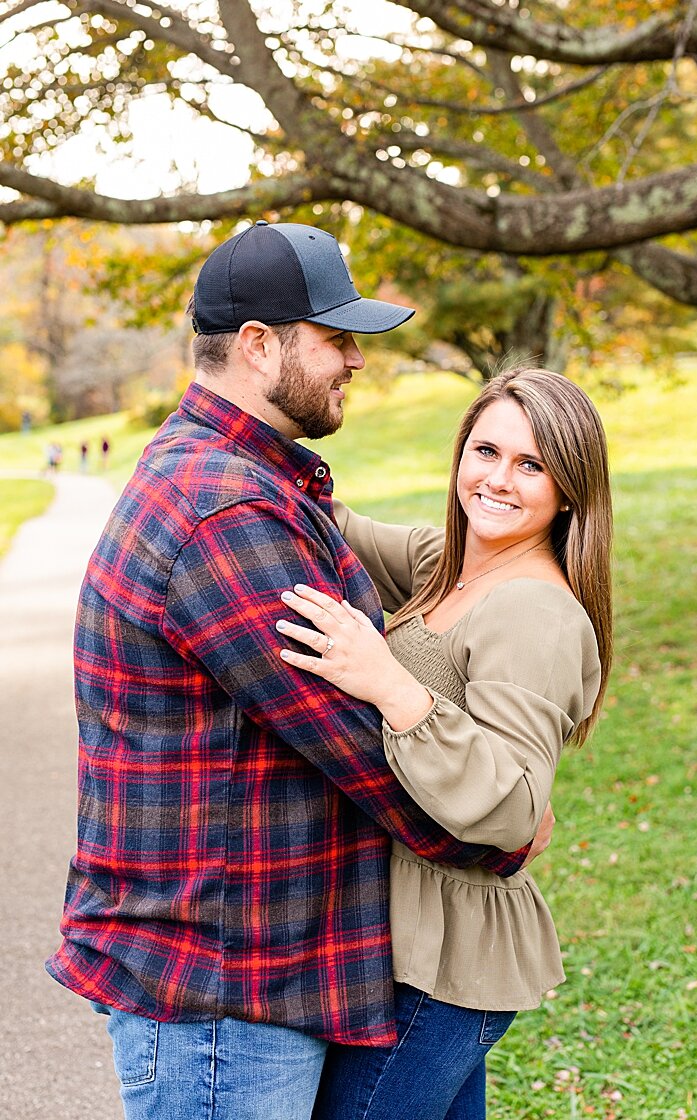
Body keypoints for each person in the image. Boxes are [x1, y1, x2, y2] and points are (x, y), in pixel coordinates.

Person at [48, 219, 539, 1120]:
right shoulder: (226, 513)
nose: (356, 360)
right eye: (337, 338)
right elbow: (354, 741)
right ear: (259, 346)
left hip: (251, 971)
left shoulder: (252, 480)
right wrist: (496, 840)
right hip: (220, 990)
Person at [274, 368, 613, 1120]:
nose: (498, 479)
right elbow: (329, 523)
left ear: (569, 489)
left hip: (446, 964)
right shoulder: (446, 567)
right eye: (485, 451)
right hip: (409, 942)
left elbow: (514, 806)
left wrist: (387, 682)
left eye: (531, 465)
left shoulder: (536, 611)